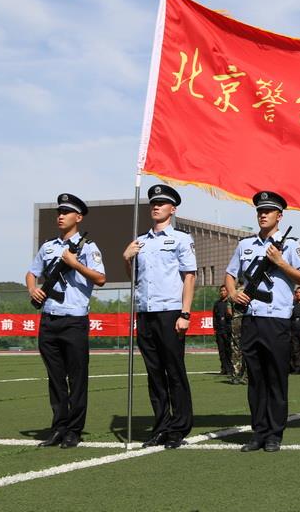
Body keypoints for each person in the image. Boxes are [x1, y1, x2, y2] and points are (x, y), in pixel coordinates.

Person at [225, 191, 300, 453]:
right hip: (252, 318)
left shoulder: (290, 246)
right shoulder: (245, 245)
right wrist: (233, 293)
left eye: (269, 211)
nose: (263, 214)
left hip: (276, 321)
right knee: (256, 380)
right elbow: (230, 274)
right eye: (260, 211)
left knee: (275, 379)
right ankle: (258, 432)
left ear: (279, 216)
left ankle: (275, 433)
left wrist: (280, 262)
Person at [27, 194, 105, 448]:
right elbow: (31, 272)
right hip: (49, 319)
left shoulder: (87, 247)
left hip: (74, 320)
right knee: (55, 378)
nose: (60, 216)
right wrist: (32, 289)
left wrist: (75, 263)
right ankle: (59, 427)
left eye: (66, 212)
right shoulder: (48, 246)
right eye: (59, 212)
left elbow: (100, 278)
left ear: (78, 217)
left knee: (77, 378)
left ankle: (74, 430)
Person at [123, 184, 196, 449]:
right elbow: (136, 280)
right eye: (153, 203)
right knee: (154, 373)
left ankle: (179, 427)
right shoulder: (139, 241)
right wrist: (127, 258)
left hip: (170, 313)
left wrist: (185, 313)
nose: (156, 206)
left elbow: (189, 276)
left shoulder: (180, 239)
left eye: (162, 203)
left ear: (172, 209)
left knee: (174, 372)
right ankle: (161, 426)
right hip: (145, 313)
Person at [212, 285, 233, 375]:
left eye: (224, 290)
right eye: (221, 291)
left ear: (227, 292)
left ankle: (231, 369)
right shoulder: (217, 303)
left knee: (229, 350)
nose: (222, 292)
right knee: (221, 350)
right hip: (219, 331)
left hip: (228, 330)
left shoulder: (230, 302)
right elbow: (214, 317)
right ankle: (224, 368)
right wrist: (215, 328)